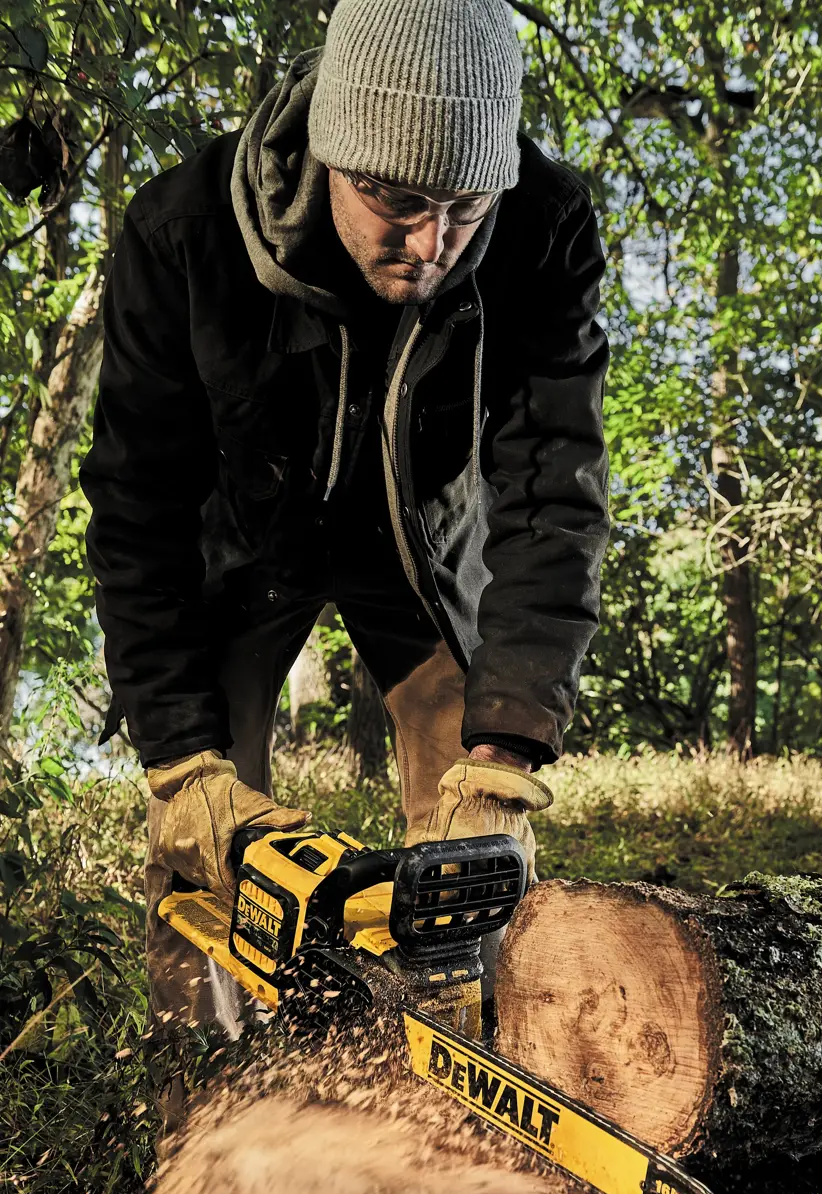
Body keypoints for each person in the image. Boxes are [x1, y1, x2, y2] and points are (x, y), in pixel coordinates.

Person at [82, 0, 610, 1032]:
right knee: (201, 833)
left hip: (420, 543)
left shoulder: (546, 227)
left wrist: (507, 748)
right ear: (333, 152)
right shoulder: (181, 231)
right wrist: (179, 752)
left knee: (471, 838)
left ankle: (461, 1076)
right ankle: (206, 1110)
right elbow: (136, 505)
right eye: (397, 202)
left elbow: (555, 486)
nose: (430, 246)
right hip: (244, 543)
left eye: (465, 207)